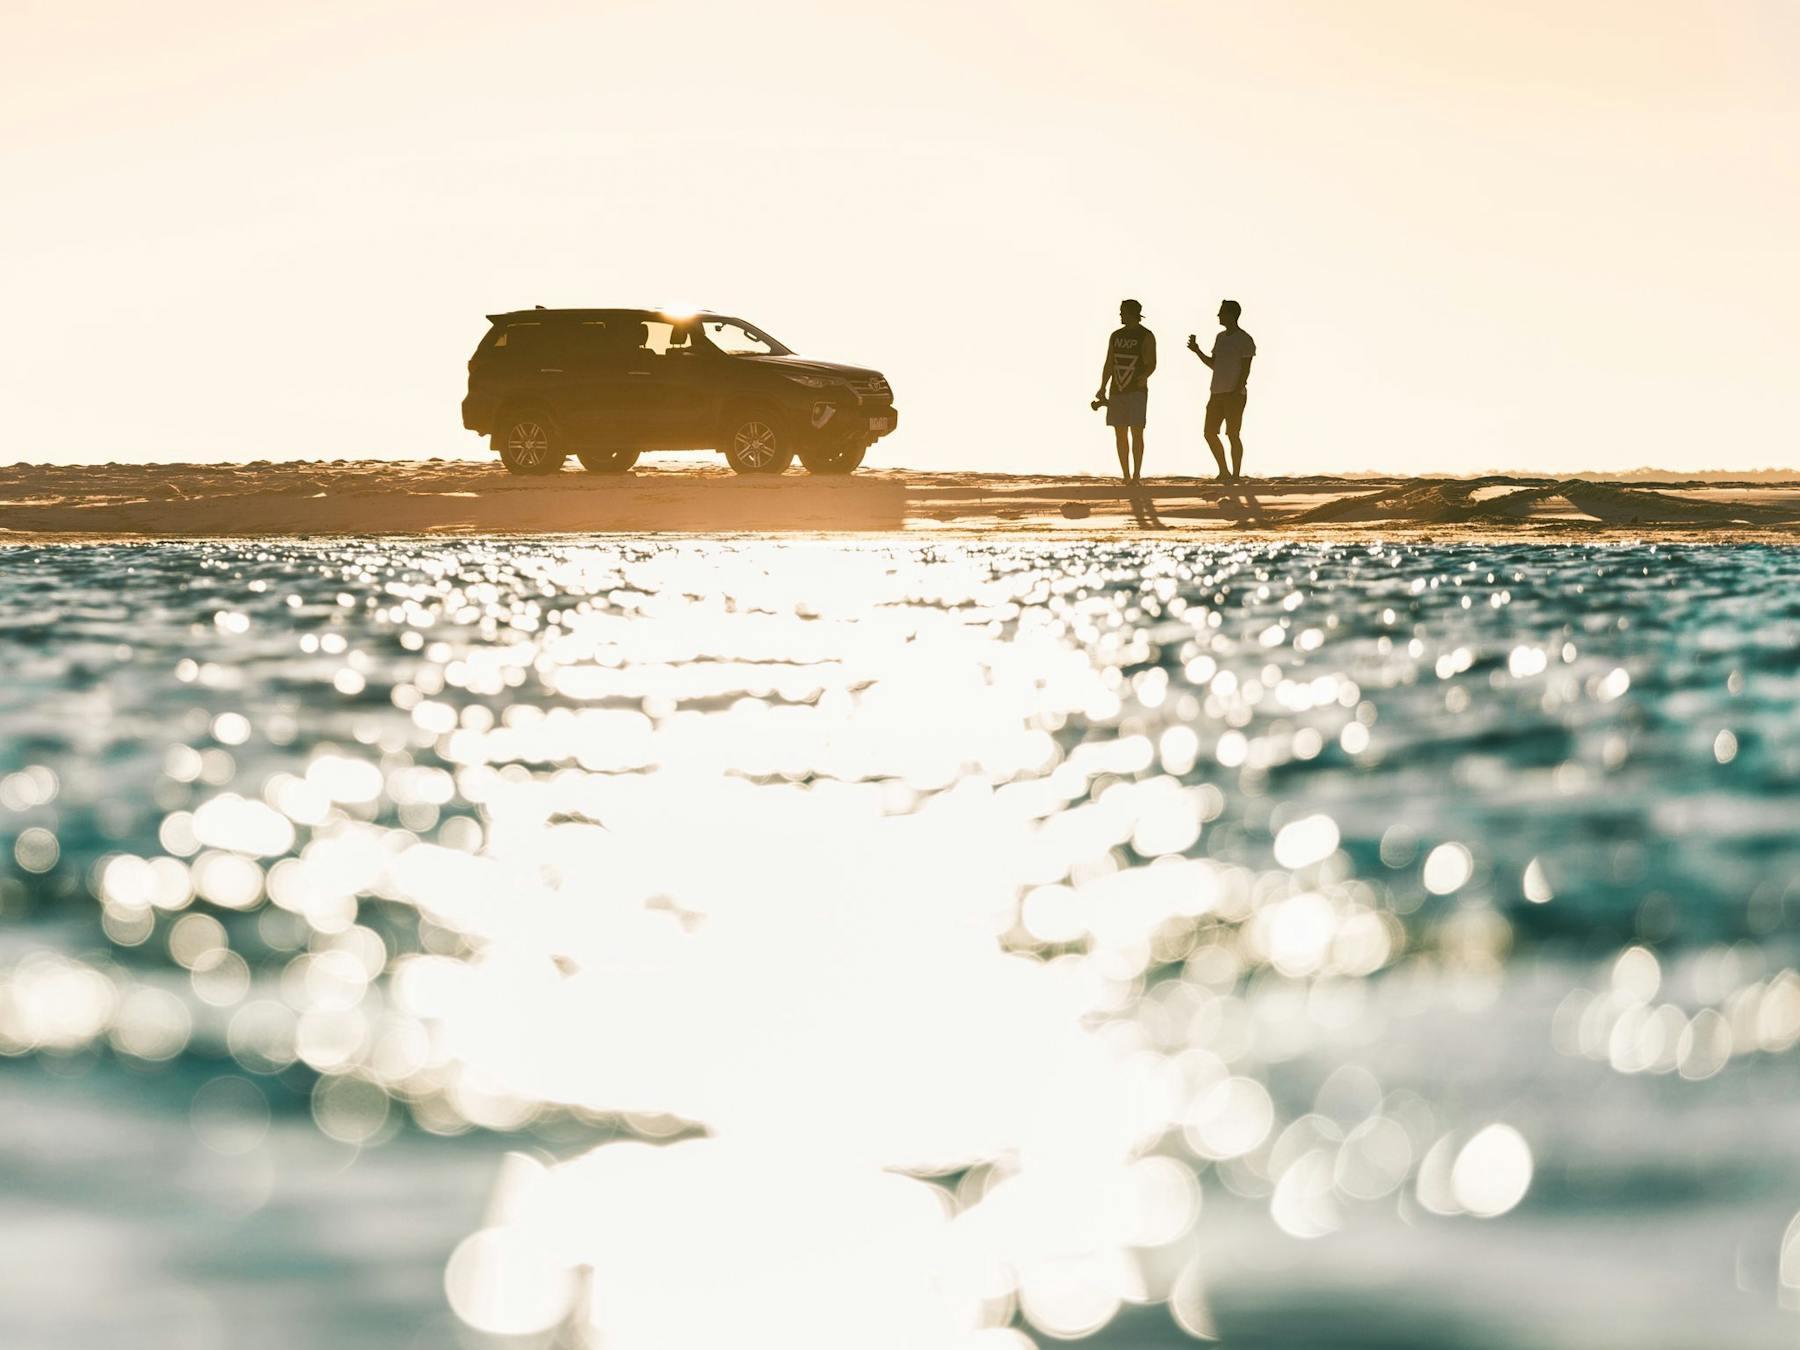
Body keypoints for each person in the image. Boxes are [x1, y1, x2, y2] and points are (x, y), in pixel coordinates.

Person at [1187, 300, 1256, 481]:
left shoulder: (1245, 339)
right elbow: (1214, 364)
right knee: (1209, 433)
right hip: (1216, 392)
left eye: (1222, 313)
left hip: (1235, 394)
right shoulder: (1220, 337)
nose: (1218, 316)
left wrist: (1237, 389)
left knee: (1232, 434)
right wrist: (1197, 351)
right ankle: (1223, 471)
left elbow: (1246, 368)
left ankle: (1235, 474)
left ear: (1231, 315)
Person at [1095, 299, 1156, 484]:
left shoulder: (1146, 335)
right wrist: (1102, 386)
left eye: (1123, 312)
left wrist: (1144, 375)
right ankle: (1126, 475)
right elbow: (1109, 362)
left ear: (1132, 313)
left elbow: (1152, 362)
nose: (1120, 315)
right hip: (1117, 390)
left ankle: (1136, 474)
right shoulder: (1115, 336)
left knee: (1137, 432)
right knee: (1119, 433)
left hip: (1137, 390)